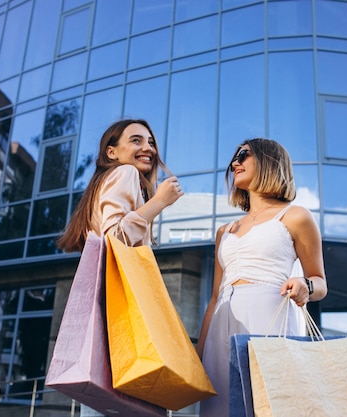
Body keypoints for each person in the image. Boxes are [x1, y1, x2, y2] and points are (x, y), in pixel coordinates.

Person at [56, 118, 183, 417]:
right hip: (120, 307)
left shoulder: (106, 182)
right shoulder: (125, 173)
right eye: (136, 140)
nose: (147, 148)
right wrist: (159, 203)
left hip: (107, 306)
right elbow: (116, 237)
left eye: (150, 142)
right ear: (112, 152)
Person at [196, 138, 327, 417]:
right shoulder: (225, 231)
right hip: (221, 323)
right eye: (234, 157)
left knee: (271, 404)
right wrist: (198, 354)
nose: (235, 163)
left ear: (269, 160)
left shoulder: (295, 217)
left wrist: (306, 285)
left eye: (243, 155)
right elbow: (214, 297)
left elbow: (320, 282)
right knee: (219, 409)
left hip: (271, 318)